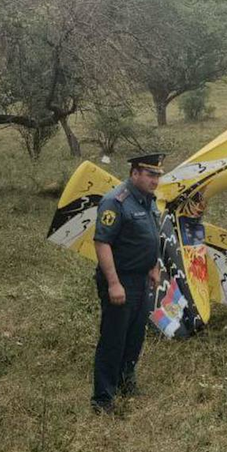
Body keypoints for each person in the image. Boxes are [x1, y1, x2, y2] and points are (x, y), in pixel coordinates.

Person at [90, 152, 165, 414]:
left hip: (142, 280)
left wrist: (154, 267)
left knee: (135, 336)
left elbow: (152, 236)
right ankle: (103, 398)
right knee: (114, 338)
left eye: (158, 175)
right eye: (150, 174)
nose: (155, 180)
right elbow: (103, 242)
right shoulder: (115, 201)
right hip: (120, 281)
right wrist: (113, 283)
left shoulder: (148, 201)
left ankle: (125, 381)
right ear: (134, 173)